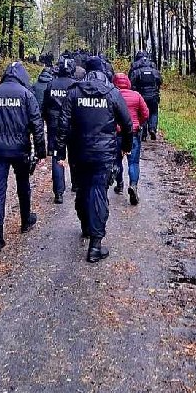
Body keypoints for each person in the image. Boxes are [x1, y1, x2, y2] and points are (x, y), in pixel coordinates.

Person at [56, 55, 134, 263]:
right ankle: (95, 245)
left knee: (82, 189)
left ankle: (86, 226)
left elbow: (63, 124)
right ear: (103, 71)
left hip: (79, 152)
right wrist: (126, 147)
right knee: (98, 192)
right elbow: (127, 124)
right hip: (103, 153)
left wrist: (60, 153)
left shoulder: (74, 92)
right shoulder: (111, 93)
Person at [0, 62, 47, 253]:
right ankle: (25, 221)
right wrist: (41, 151)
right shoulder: (26, 95)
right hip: (20, 149)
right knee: (23, 185)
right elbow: (37, 124)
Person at [42, 56, 78, 204]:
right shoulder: (76, 85)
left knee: (57, 157)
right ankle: (75, 184)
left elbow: (44, 106)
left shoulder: (51, 85)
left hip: (55, 126)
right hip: (73, 125)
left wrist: (48, 121)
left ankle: (58, 193)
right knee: (75, 155)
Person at [113, 72, 150, 205]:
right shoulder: (136, 95)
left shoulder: (113, 96)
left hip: (117, 134)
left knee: (117, 161)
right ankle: (133, 185)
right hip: (133, 133)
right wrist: (137, 123)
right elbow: (145, 113)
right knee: (133, 162)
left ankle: (119, 183)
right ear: (128, 82)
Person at [131, 55, 163, 140]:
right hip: (153, 96)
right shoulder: (155, 71)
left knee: (142, 113)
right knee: (154, 112)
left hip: (142, 96)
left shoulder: (136, 71)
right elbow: (160, 81)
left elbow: (132, 83)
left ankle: (144, 133)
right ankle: (152, 129)